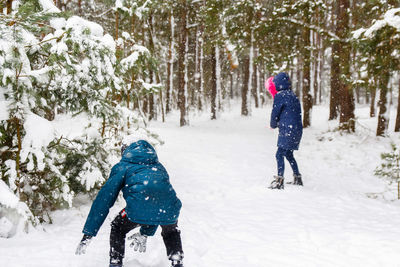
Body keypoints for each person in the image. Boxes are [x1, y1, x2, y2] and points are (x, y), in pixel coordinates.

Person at [75, 138, 184, 267]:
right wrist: (145, 232)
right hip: (170, 210)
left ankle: (116, 262)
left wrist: (89, 233)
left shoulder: (123, 167)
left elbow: (104, 200)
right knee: (170, 229)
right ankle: (177, 260)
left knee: (117, 226)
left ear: (125, 150)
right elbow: (157, 202)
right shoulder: (158, 166)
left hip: (139, 209)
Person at [266, 72, 303, 189]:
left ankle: (279, 181)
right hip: (296, 130)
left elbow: (275, 113)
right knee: (288, 154)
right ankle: (297, 178)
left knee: (279, 155)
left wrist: (273, 125)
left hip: (287, 130)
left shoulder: (280, 96)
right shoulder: (293, 95)